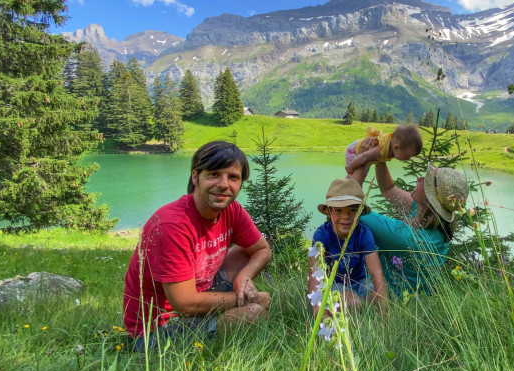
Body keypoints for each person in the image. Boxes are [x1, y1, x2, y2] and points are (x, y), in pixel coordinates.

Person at [122, 141, 272, 350]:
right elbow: (184, 304)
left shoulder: (232, 210)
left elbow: (262, 250)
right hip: (155, 331)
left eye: (233, 177)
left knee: (245, 257)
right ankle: (216, 330)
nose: (223, 184)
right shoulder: (172, 225)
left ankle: (221, 318)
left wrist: (244, 276)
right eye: (213, 174)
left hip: (198, 294)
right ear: (195, 177)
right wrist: (245, 299)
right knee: (255, 311)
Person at [359, 161, 469, 295]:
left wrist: (362, 163)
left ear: (430, 197)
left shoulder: (412, 239)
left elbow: (353, 209)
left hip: (392, 302)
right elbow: (388, 189)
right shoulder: (429, 216)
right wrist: (380, 157)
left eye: (426, 181)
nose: (419, 179)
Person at [308, 178, 387, 313]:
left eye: (352, 210)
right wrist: (317, 312)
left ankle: (365, 315)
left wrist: (384, 311)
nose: (346, 216)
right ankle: (343, 314)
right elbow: (315, 274)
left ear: (360, 212)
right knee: (353, 302)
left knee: (378, 298)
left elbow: (376, 273)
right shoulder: (321, 235)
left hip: (360, 283)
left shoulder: (363, 233)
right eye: (338, 210)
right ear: (328, 212)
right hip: (334, 285)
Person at [345, 124, 422, 184]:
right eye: (407, 156)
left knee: (360, 178)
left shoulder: (392, 148)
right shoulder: (381, 148)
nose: (408, 159)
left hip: (363, 156)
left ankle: (348, 190)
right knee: (355, 178)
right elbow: (364, 156)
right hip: (354, 151)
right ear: (396, 147)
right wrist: (351, 166)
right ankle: (345, 188)